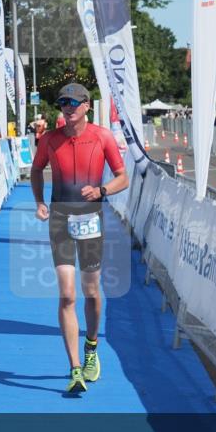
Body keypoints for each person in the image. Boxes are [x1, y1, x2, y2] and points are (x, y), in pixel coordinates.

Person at [30, 83, 128, 394]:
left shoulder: (102, 137)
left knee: (91, 292)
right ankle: (74, 368)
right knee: (67, 295)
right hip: (59, 218)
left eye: (73, 102)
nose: (68, 107)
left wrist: (101, 191)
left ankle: (91, 345)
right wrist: (40, 201)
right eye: (63, 102)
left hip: (90, 219)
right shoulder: (50, 140)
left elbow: (122, 177)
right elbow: (35, 170)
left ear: (86, 105)